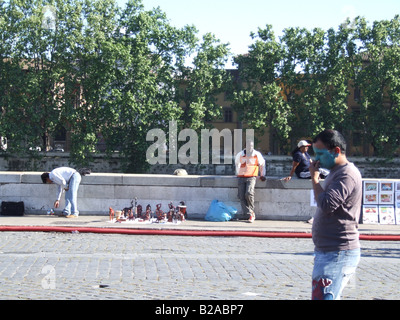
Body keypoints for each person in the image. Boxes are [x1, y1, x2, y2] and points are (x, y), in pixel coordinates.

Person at [309, 129, 362, 300]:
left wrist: (315, 179)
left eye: (320, 153)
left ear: (336, 151)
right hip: (328, 251)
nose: (316, 159)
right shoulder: (335, 172)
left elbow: (326, 204)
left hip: (338, 252)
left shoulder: (346, 174)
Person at [235, 140, 266, 223]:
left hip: (252, 176)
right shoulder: (240, 154)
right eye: (249, 146)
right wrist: (237, 173)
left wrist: (262, 175)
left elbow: (262, 164)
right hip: (241, 177)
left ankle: (251, 213)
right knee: (241, 196)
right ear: (245, 146)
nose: (250, 147)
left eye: (251, 146)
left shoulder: (256, 154)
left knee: (249, 193)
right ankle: (248, 214)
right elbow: (237, 163)